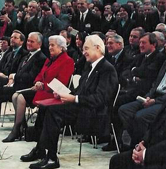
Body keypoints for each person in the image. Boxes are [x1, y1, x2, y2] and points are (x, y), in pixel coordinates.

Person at [20, 35, 118, 168]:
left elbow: (100, 99)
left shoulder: (107, 69)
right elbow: (80, 90)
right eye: (83, 49)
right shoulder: (90, 66)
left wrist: (74, 98)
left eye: (86, 48)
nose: (83, 52)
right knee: (45, 107)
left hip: (94, 112)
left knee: (53, 112)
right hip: (82, 106)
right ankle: (42, 150)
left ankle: (51, 157)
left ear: (98, 48)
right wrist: (65, 94)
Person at [110, 48, 166, 169]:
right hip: (155, 150)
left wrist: (146, 155)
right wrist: (142, 144)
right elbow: (156, 124)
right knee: (117, 160)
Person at [2, 35, 74, 143]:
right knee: (15, 95)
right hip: (41, 90)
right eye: (49, 45)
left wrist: (43, 85)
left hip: (51, 93)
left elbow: (61, 83)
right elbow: (40, 74)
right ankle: (21, 126)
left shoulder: (67, 61)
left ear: (61, 47)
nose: (49, 47)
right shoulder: (50, 59)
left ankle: (16, 129)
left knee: (21, 97)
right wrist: (37, 82)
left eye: (52, 45)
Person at [0, 32, 47, 133]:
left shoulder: (40, 58)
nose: (28, 43)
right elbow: (19, 71)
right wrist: (12, 78)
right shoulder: (28, 55)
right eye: (28, 41)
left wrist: (14, 76)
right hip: (16, 84)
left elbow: (30, 77)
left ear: (39, 44)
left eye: (32, 42)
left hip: (26, 88)